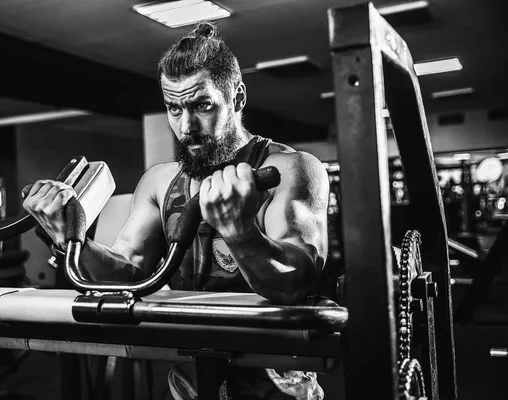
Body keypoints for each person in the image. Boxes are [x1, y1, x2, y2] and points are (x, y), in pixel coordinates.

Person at [24, 22, 329, 400]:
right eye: (173, 108)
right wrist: (69, 237)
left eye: (202, 106)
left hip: (275, 386)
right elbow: (126, 275)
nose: (186, 126)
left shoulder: (289, 168)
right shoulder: (160, 182)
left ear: (237, 97)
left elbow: (297, 281)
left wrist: (240, 232)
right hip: (190, 383)